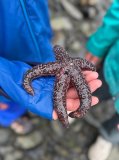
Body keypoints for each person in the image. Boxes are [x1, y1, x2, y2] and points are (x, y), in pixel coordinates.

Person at [0, 1, 101, 134]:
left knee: (42, 61)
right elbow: (31, 74)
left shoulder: (58, 62)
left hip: (37, 30)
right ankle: (12, 110)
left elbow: (55, 52)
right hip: (7, 46)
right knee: (11, 93)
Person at [85, 1, 119, 160]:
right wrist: (99, 44)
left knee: (116, 128)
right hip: (114, 68)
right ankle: (80, 100)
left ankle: (107, 137)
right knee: (95, 86)